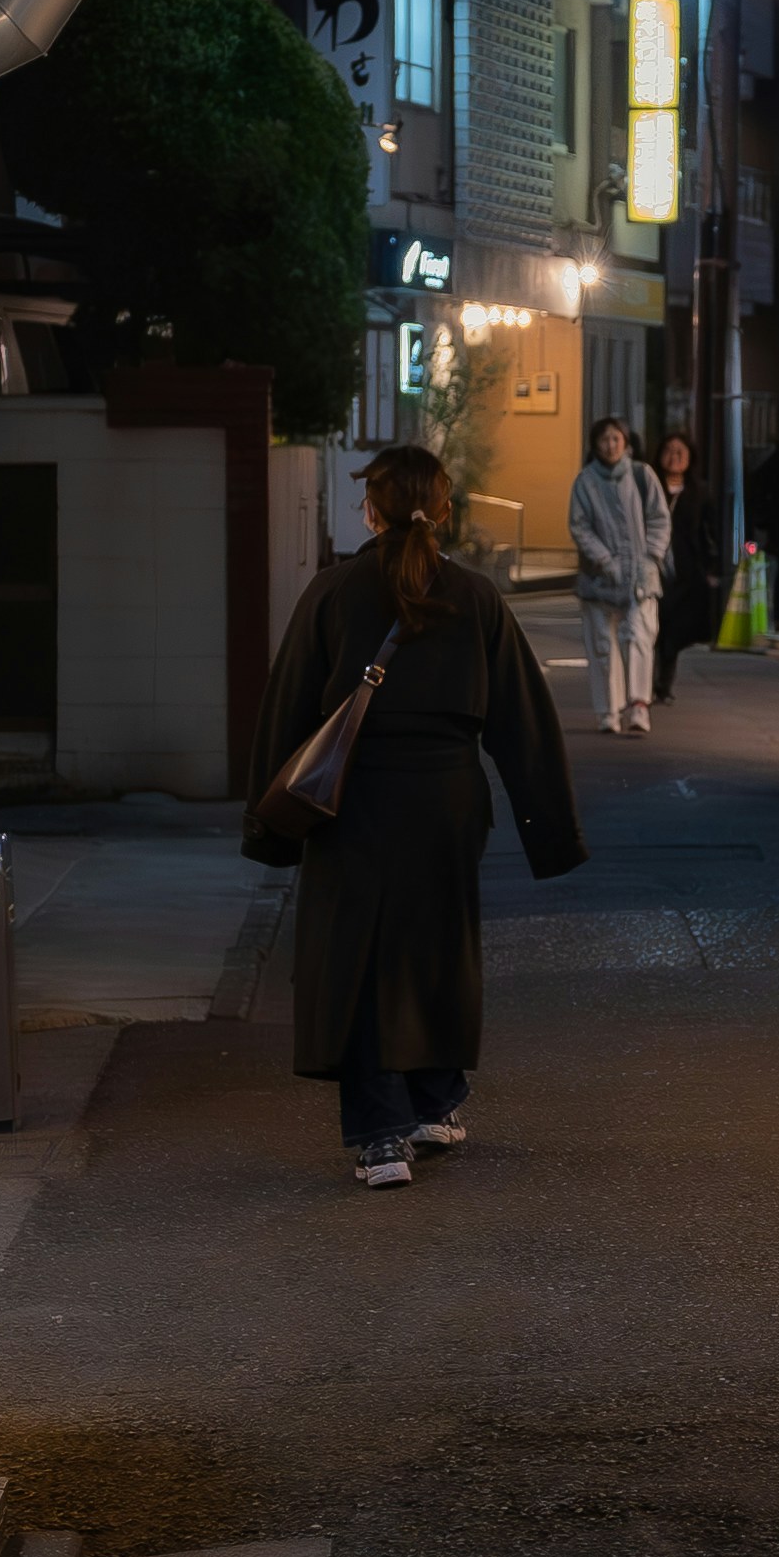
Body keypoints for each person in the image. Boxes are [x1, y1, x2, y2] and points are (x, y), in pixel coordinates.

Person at [250, 444, 586, 1187]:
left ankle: (380, 1137)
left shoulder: (332, 594)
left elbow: (288, 713)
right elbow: (523, 721)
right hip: (447, 801)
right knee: (436, 950)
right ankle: (434, 1100)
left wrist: (270, 827)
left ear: (370, 508)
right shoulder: (476, 598)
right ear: (444, 509)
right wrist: (550, 830)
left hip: (353, 801)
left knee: (360, 960)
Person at [565, 416, 669, 736]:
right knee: (601, 646)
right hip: (598, 579)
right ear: (595, 444)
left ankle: (639, 705)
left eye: (616, 439)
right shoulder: (585, 482)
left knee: (639, 637)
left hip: (640, 577)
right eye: (604, 440)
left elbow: (659, 518)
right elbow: (579, 526)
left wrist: (650, 557)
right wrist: (605, 559)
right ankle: (607, 712)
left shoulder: (642, 475)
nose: (610, 445)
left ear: (626, 442)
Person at [652, 425, 727, 704]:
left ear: (690, 457)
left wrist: (712, 568)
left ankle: (664, 684)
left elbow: (710, 532)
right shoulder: (649, 485)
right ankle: (645, 684)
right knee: (652, 629)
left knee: (675, 631)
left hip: (687, 570)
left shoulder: (700, 491)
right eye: (669, 451)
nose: (674, 457)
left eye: (680, 452)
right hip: (654, 567)